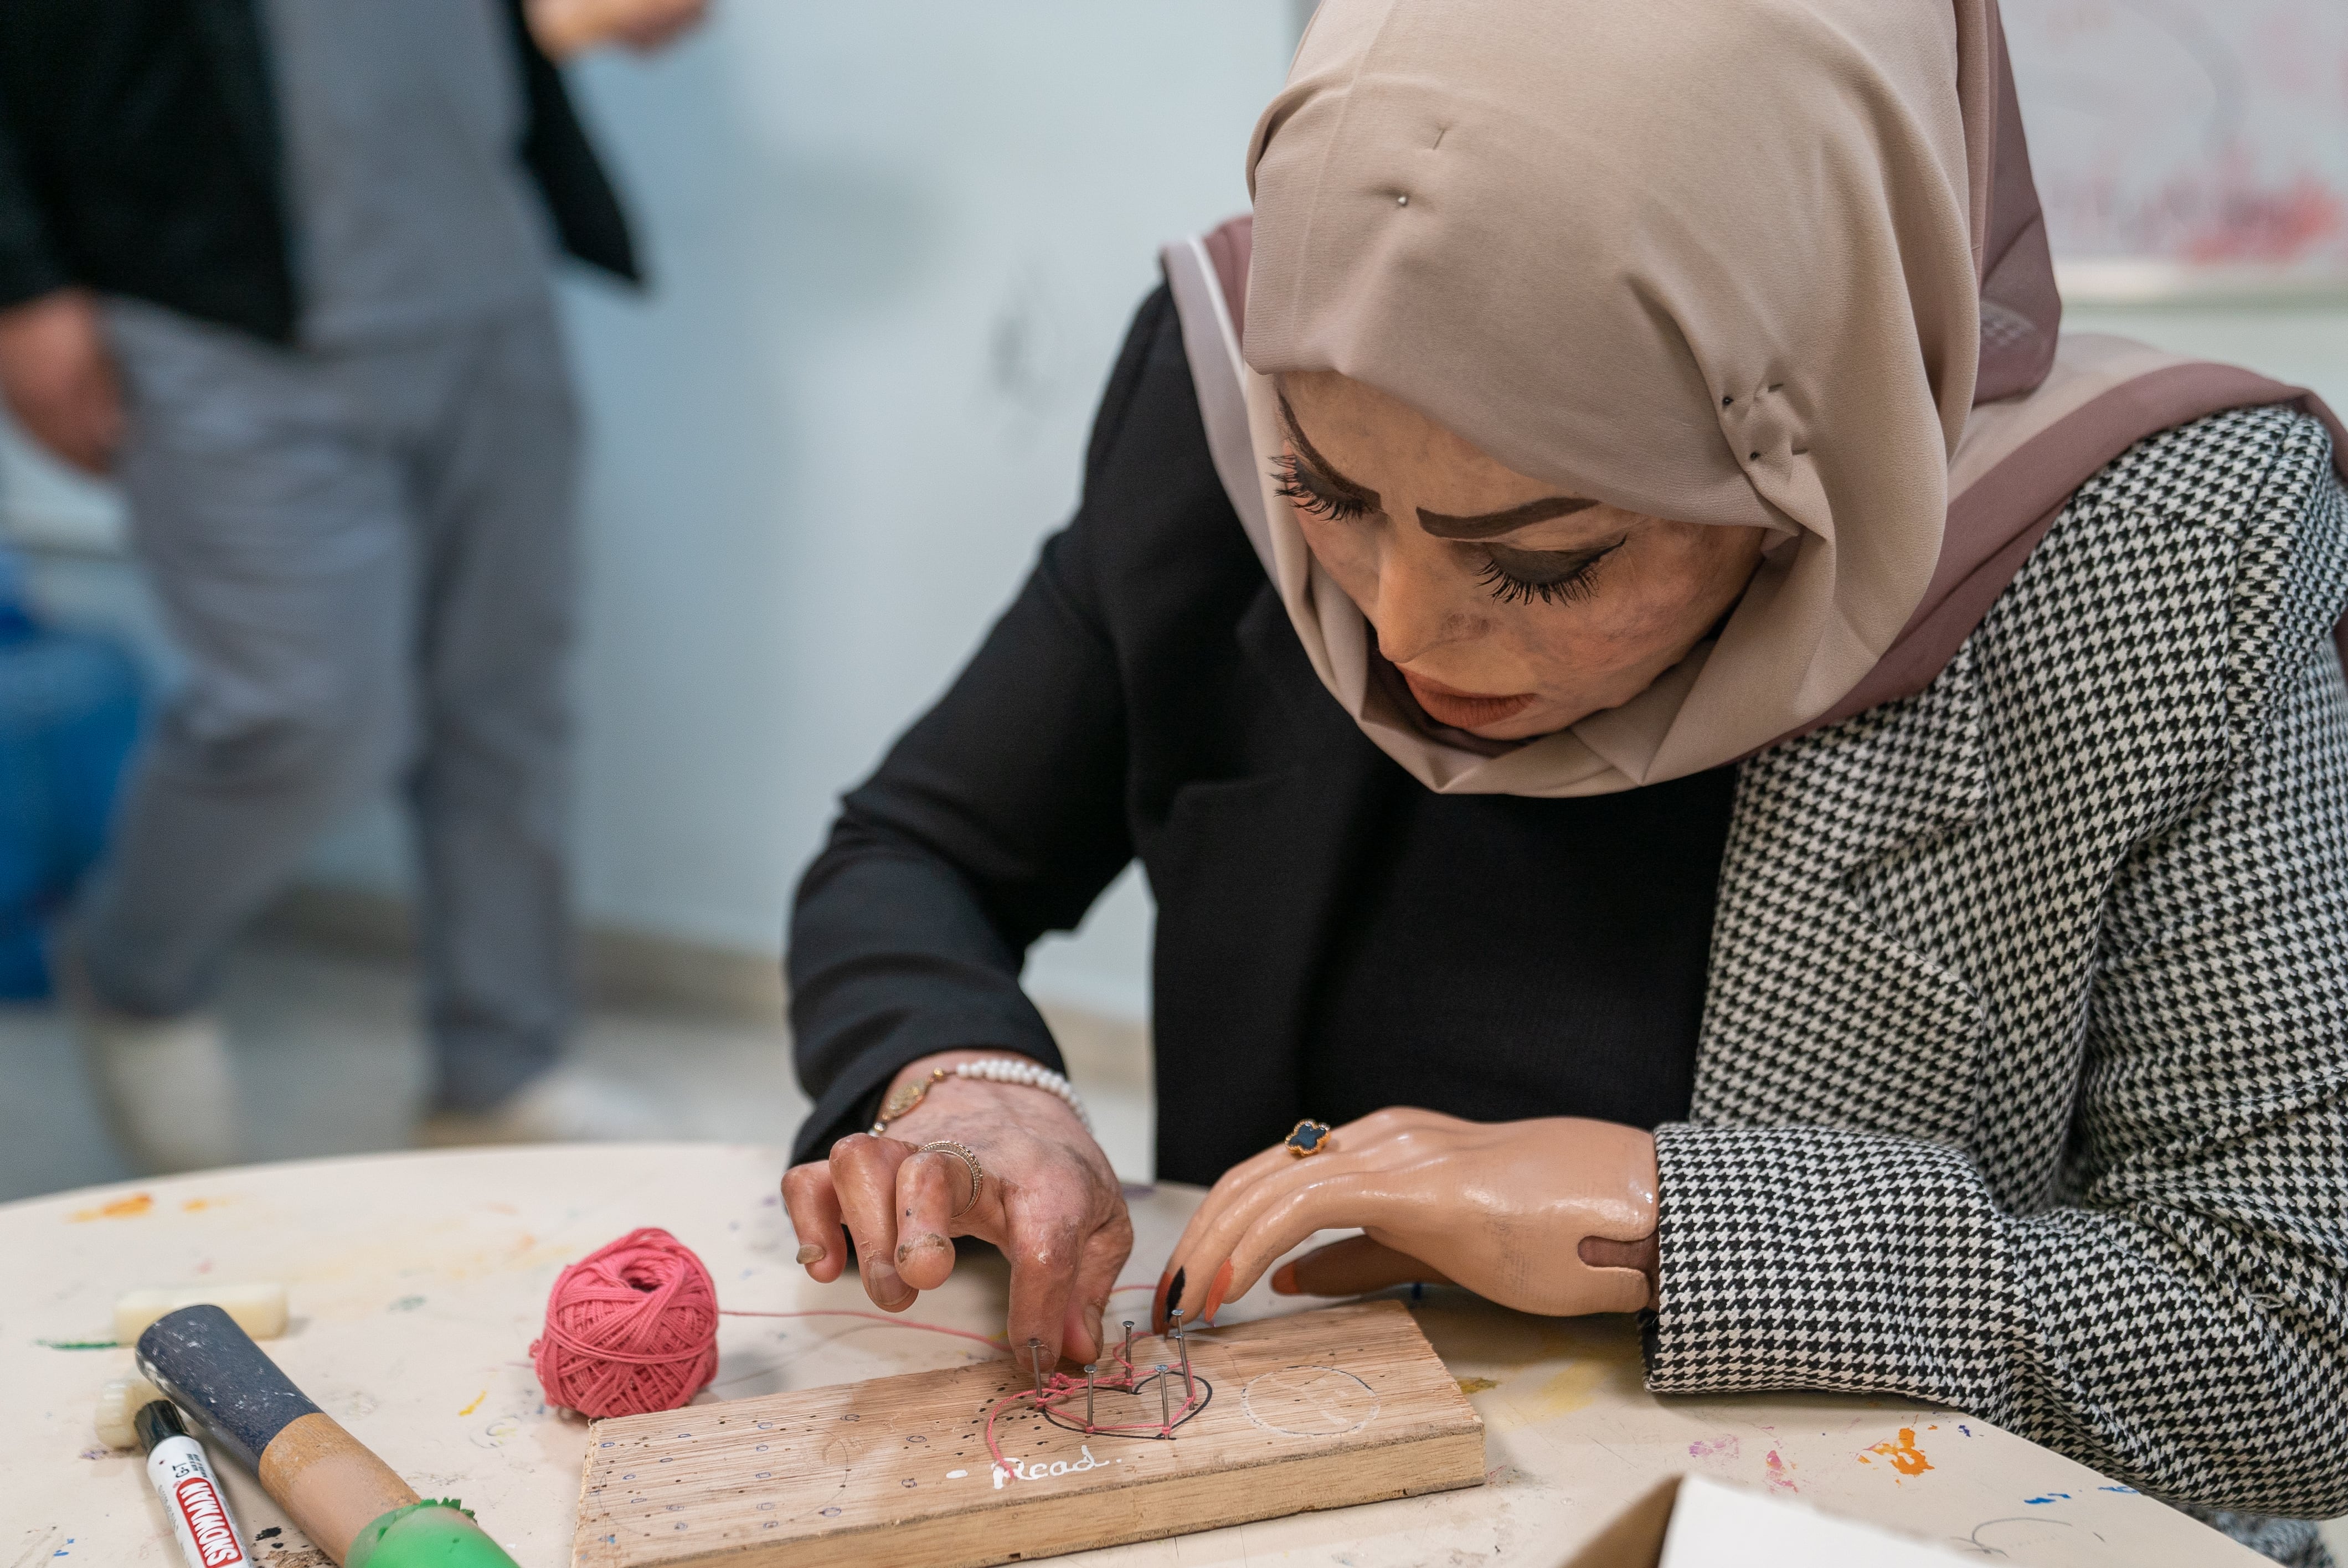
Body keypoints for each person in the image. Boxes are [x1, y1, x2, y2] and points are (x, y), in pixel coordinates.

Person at [780, 0, 2348, 1560]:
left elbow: (2294, 1334)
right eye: (1328, 492)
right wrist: (979, 1089)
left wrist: (1667, 1227)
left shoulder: (2158, 555)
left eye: (1546, 560)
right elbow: (918, 851)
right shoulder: (1254, 368)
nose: (1398, 631)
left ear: (1815, 431)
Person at [0, 0, 703, 1172]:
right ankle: (132, 967)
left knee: (505, 702)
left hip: (484, 273)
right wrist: (18, 278)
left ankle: (500, 1067)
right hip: (216, 305)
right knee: (301, 711)